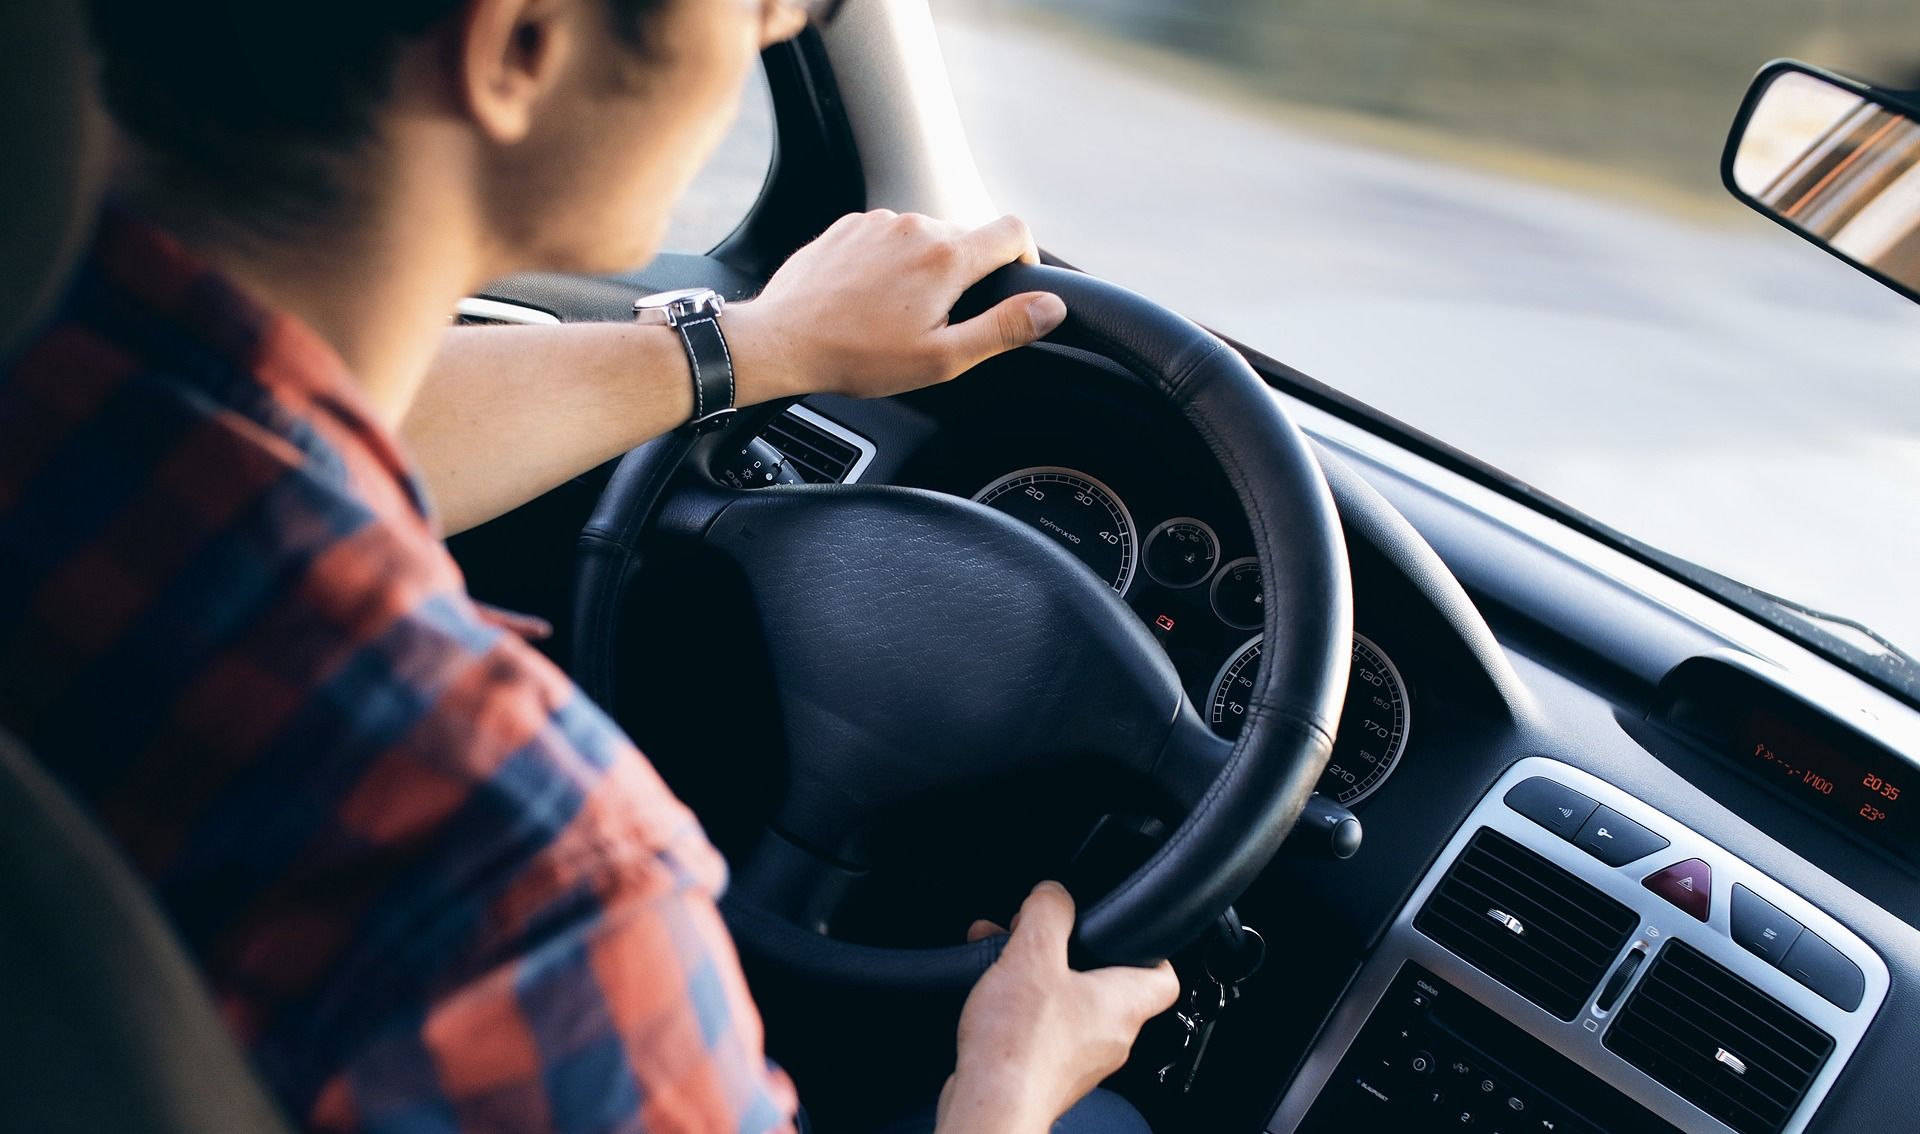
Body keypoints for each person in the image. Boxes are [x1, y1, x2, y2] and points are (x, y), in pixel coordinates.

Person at [0, 0, 1179, 1131]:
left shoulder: (63, 386)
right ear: (521, 42)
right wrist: (1004, 1091)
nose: (774, 23)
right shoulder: (527, 885)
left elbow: (303, 426)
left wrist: (759, 346)